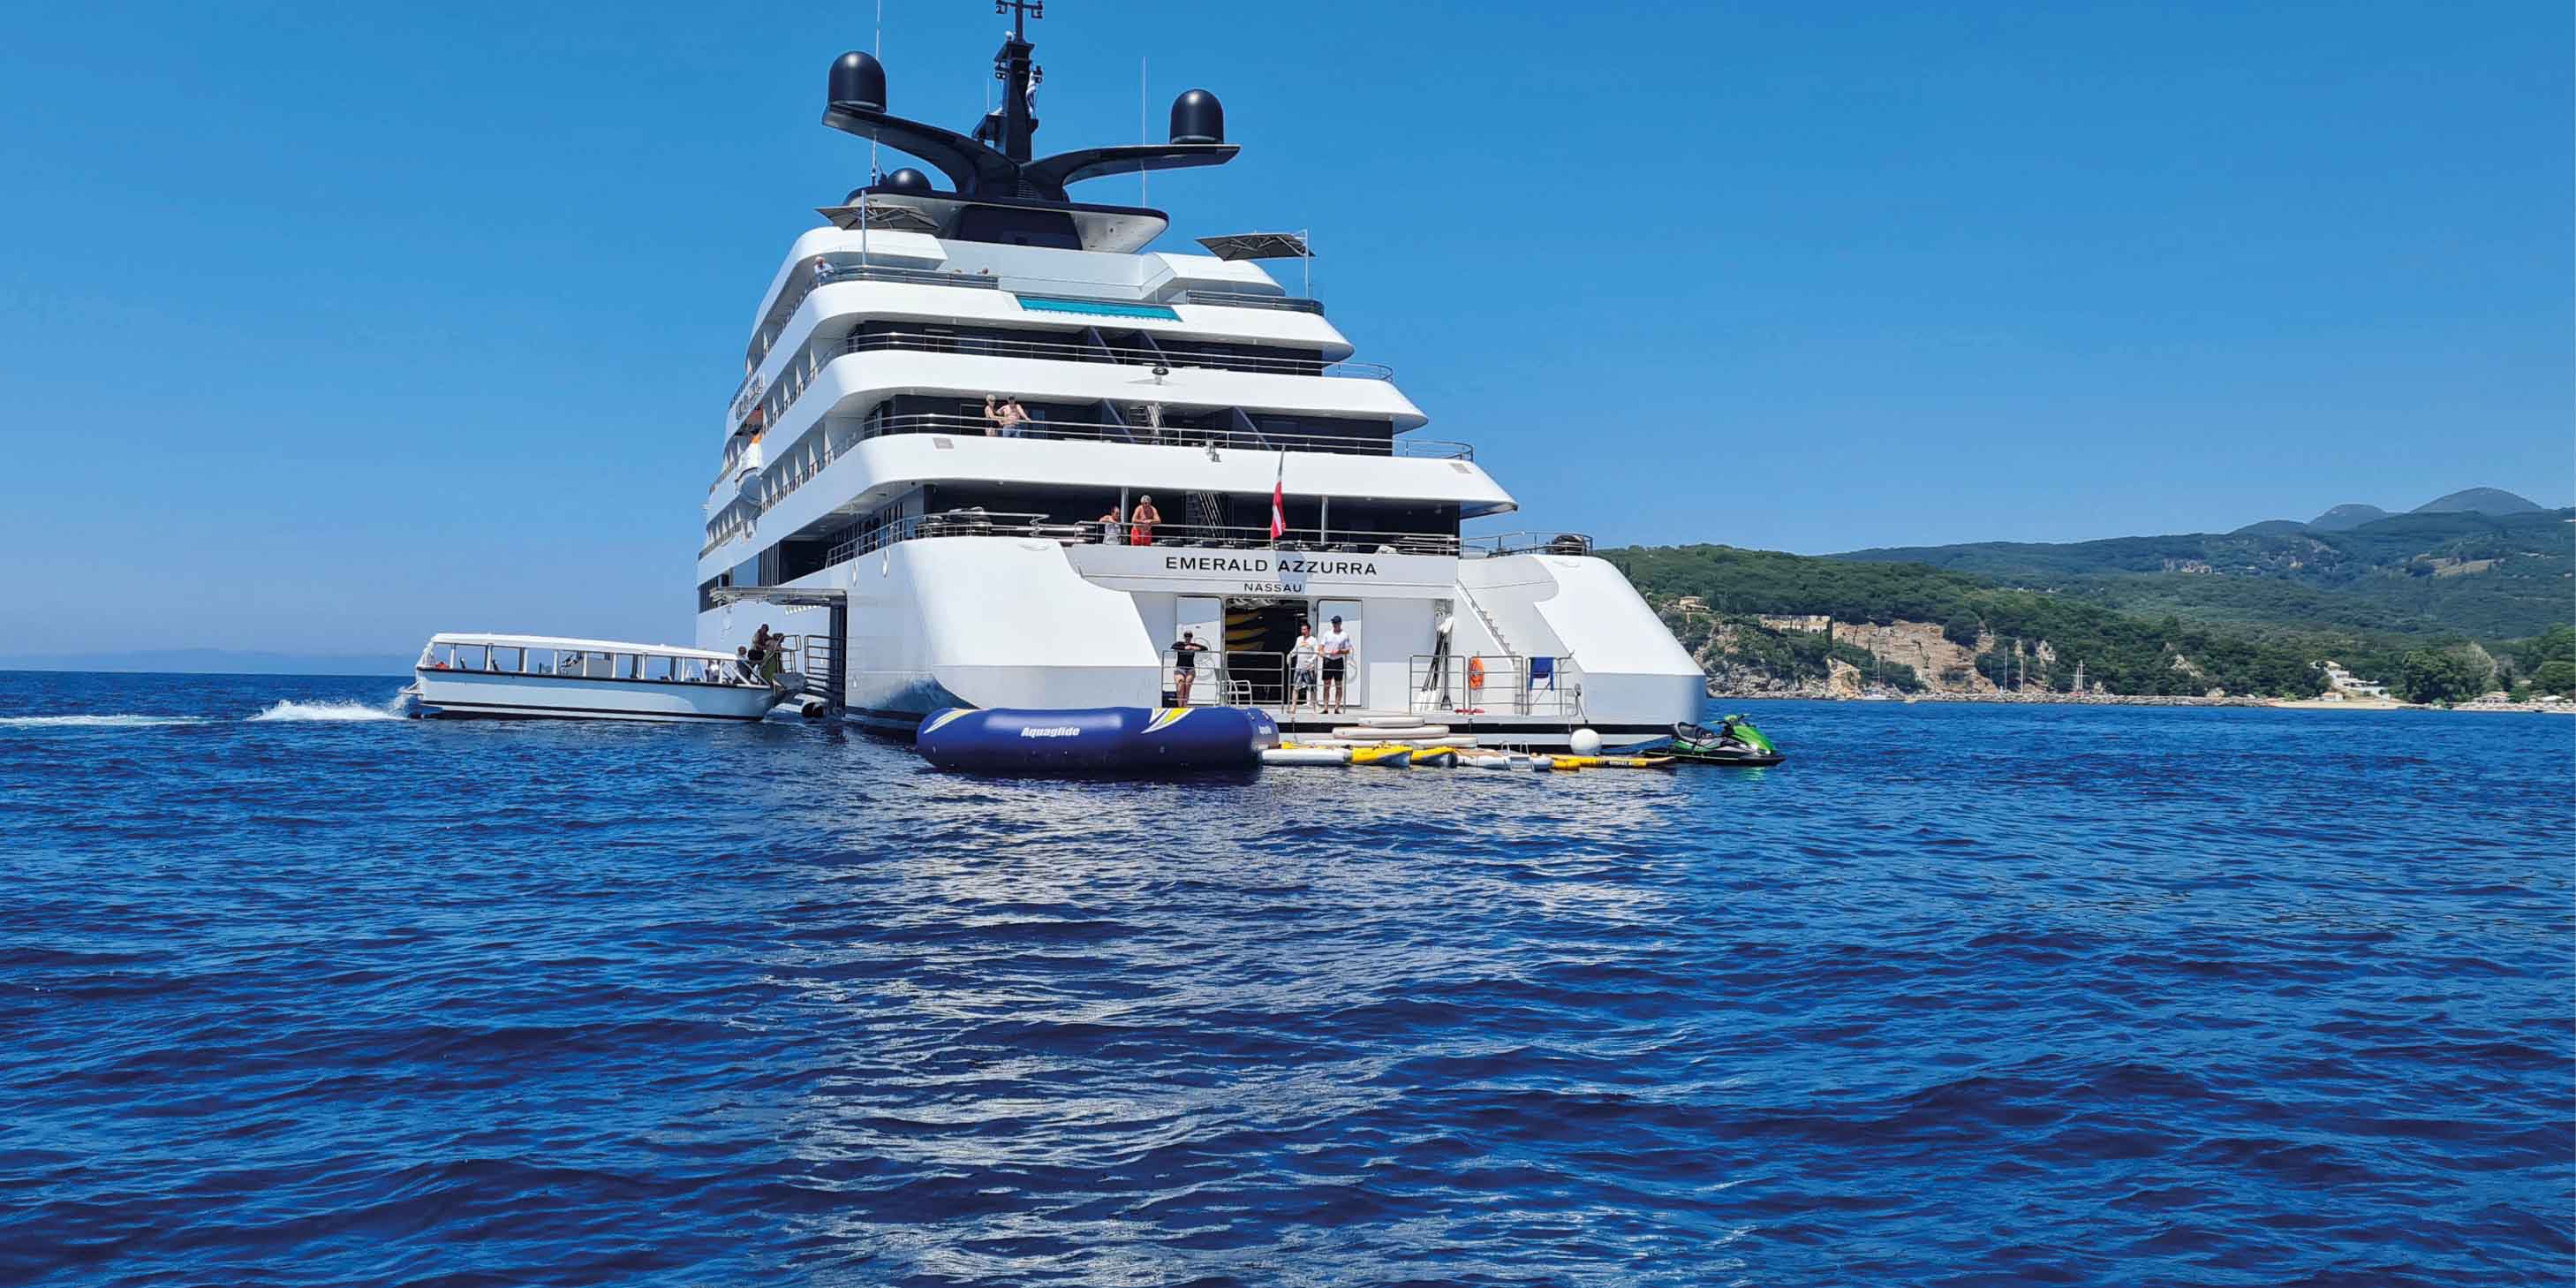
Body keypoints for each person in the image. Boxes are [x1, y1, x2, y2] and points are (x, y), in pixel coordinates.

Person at [1318, 614, 1353, 714]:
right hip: (1328, 660)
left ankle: (1337, 708)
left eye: (1336, 623)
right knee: (1326, 685)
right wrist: (1321, 652)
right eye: (1333, 622)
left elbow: (1347, 650)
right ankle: (1325, 708)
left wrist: (1339, 651)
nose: (1334, 624)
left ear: (1340, 623)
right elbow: (1321, 646)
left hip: (1338, 660)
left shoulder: (1344, 635)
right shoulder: (1327, 634)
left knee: (1338, 685)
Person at [1288, 622, 1321, 713]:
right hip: (1299, 667)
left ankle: (1314, 708)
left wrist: (1311, 660)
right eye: (1302, 629)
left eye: (1304, 629)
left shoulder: (1313, 640)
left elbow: (1317, 652)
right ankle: (1293, 708)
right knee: (1295, 688)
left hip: (1309, 668)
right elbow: (1295, 649)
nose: (1303, 631)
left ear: (1309, 630)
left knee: (1312, 688)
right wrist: (1290, 655)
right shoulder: (1299, 639)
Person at [1171, 629, 1209, 705]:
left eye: (1190, 636)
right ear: (1184, 637)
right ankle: (1180, 707)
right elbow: (1173, 647)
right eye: (1186, 635)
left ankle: (1184, 706)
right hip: (1180, 668)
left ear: (1192, 637)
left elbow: (1205, 648)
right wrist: (1185, 648)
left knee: (1187, 686)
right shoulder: (1180, 644)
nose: (1188, 637)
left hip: (1190, 669)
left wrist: (1197, 648)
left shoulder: (1193, 645)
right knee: (1180, 686)